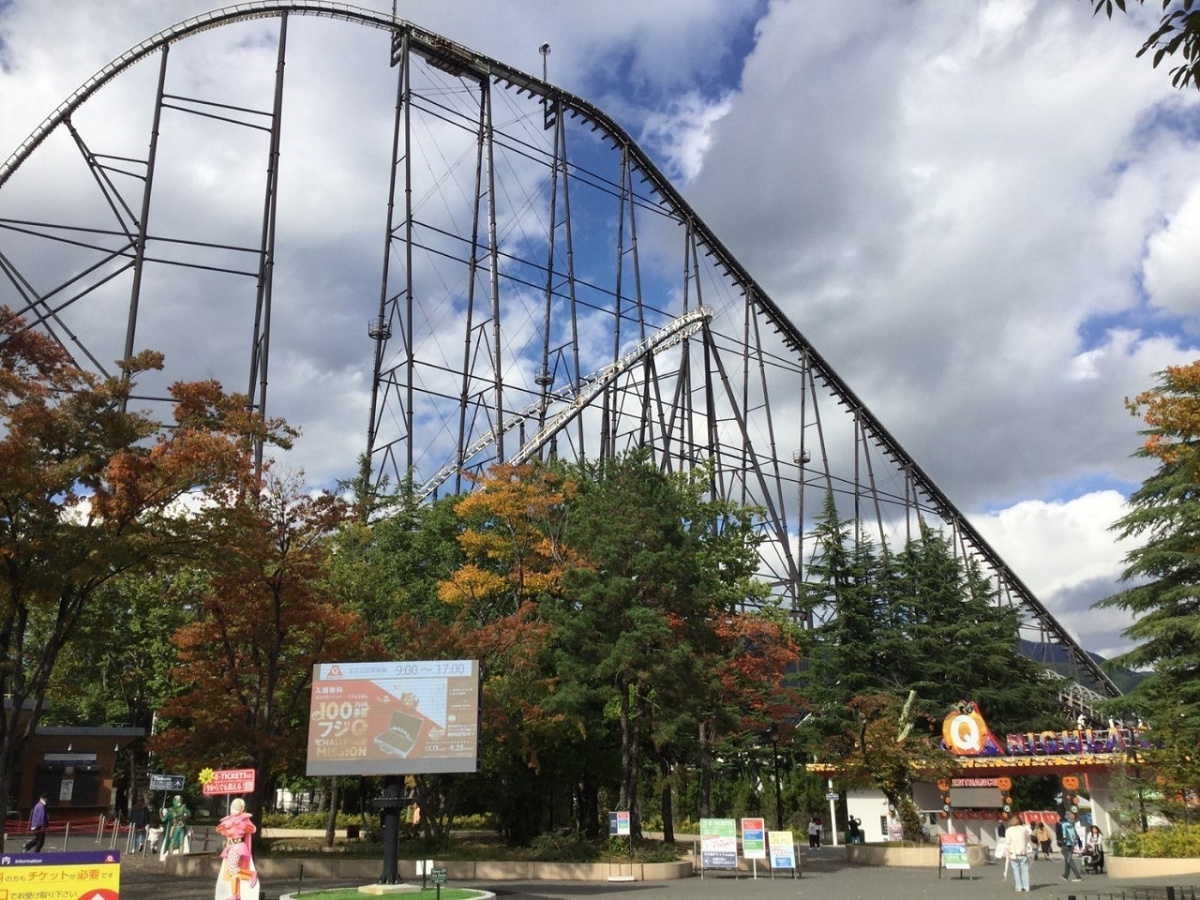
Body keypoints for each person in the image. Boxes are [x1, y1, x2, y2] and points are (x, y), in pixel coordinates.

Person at [215, 798, 260, 900]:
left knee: (232, 869)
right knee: (232, 872)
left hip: (237, 846)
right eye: (233, 806)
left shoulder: (243, 819)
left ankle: (250, 875)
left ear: (242, 808)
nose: (234, 808)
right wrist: (228, 828)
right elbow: (219, 829)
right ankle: (235, 895)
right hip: (230, 846)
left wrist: (240, 826)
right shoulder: (229, 819)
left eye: (237, 806)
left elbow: (252, 828)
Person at [1005, 813, 1033, 893]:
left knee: (1016, 870)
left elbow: (1008, 842)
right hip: (1023, 852)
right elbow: (1030, 832)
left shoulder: (1009, 830)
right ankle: (1026, 887)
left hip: (1014, 852)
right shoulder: (1023, 829)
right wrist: (1024, 824)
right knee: (1025, 870)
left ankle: (1018, 887)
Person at [160, 795, 191, 861]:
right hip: (175, 827)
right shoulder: (171, 809)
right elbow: (163, 819)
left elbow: (189, 814)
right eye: (178, 800)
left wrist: (184, 817)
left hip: (180, 827)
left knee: (181, 842)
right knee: (173, 841)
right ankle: (170, 857)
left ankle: (179, 857)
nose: (179, 801)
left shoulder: (182, 808)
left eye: (180, 800)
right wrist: (161, 812)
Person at [1060, 811, 1084, 882]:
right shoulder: (1072, 824)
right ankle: (1065, 875)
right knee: (1067, 860)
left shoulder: (1063, 825)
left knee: (1070, 861)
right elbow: (1076, 835)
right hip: (1072, 845)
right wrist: (1080, 844)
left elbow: (1062, 835)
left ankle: (1078, 876)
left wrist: (1061, 843)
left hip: (1066, 845)